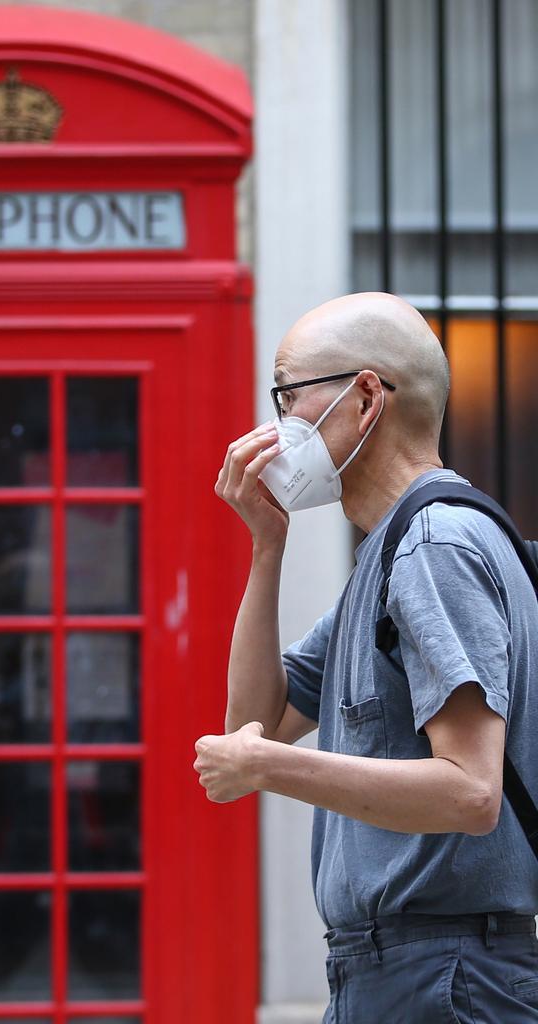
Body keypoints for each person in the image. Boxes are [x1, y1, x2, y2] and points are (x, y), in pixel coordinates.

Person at [192, 291, 538, 1022]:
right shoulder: (389, 557)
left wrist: (264, 769)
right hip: (405, 972)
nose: (277, 423)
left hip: (444, 976)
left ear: (365, 397)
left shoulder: (434, 546)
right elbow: (254, 721)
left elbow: (470, 792)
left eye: (288, 393)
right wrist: (267, 545)